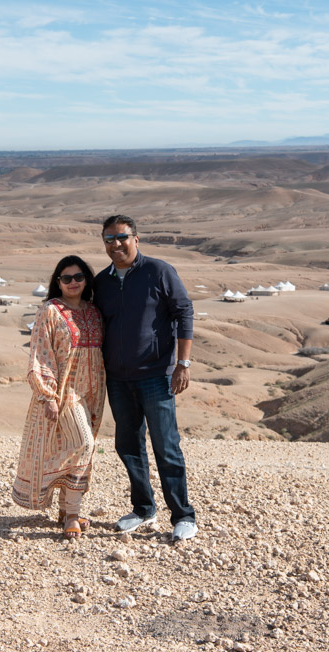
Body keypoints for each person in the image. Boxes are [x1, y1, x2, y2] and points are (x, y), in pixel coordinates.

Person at [93, 215, 198, 542]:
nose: (116, 244)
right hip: (118, 379)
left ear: (136, 239)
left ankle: (182, 515)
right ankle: (143, 508)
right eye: (109, 239)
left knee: (166, 446)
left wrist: (183, 363)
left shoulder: (158, 272)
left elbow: (184, 312)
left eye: (121, 237)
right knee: (128, 445)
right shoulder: (101, 282)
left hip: (155, 375)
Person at [12, 255, 105, 539]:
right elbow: (41, 353)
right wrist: (48, 395)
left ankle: (68, 508)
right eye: (66, 278)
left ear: (86, 279)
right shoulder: (50, 310)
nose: (73, 282)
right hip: (65, 392)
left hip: (94, 393)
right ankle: (71, 514)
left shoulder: (94, 311)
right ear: (57, 282)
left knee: (83, 450)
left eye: (78, 277)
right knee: (84, 444)